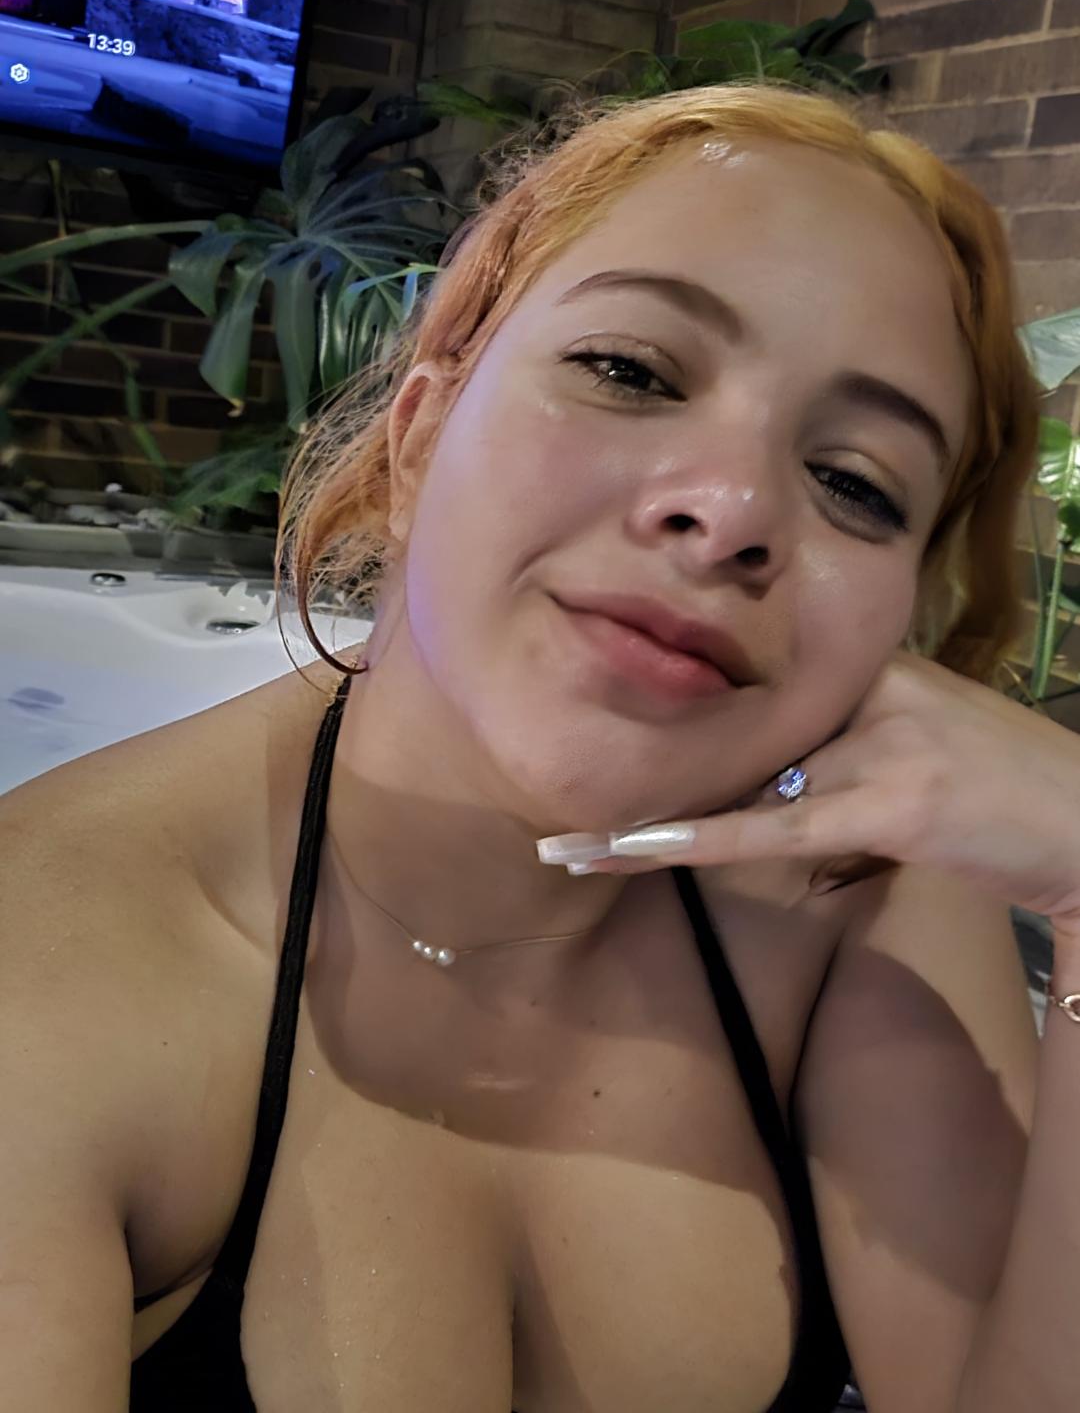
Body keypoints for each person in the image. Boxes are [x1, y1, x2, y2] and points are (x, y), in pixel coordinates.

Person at [7, 79, 1079, 1412]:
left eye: (855, 483)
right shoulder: (44, 970)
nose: (733, 511)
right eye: (631, 371)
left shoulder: (861, 895)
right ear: (417, 436)